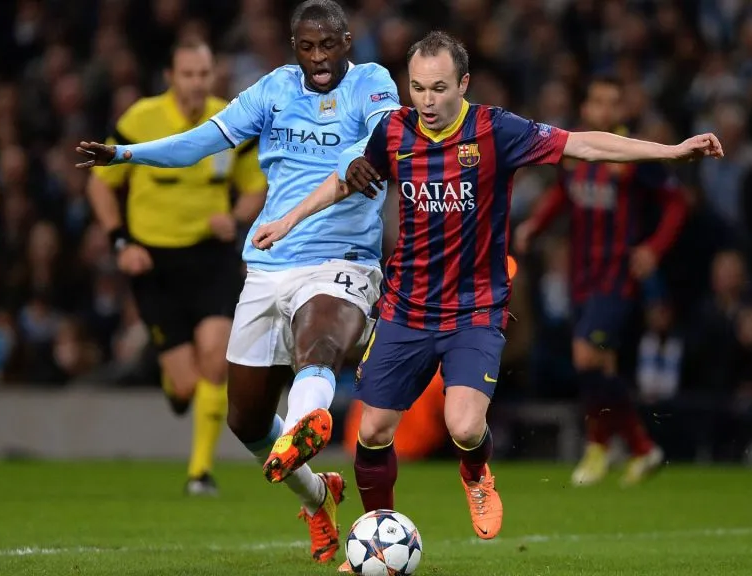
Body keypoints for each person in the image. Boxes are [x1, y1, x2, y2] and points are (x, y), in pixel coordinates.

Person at [251, 31, 721, 569]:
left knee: (465, 427)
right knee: (373, 431)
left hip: (474, 309)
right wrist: (286, 219)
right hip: (406, 308)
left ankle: (476, 474)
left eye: (439, 89)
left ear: (464, 84)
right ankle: (376, 537)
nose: (426, 101)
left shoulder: (497, 130)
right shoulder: (395, 132)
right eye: (418, 88)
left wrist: (670, 150)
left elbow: (582, 142)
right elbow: (343, 181)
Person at [76, 0, 401, 563]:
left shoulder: (372, 82)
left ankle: (306, 424)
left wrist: (354, 160)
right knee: (246, 420)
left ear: (348, 41)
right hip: (271, 257)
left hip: (343, 256)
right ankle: (319, 495)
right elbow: (205, 138)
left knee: (319, 343)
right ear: (294, 47)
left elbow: (381, 137)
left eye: (329, 45)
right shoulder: (274, 88)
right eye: (308, 46)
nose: (319, 58)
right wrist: (126, 154)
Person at [86, 39, 267, 497]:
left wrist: (239, 218)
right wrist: (120, 242)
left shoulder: (230, 118)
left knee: (215, 357)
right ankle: (175, 384)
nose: (196, 83)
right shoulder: (139, 120)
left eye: (203, 75)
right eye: (188, 74)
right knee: (187, 385)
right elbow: (101, 186)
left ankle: (199, 473)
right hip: (153, 260)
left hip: (210, 257)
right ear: (170, 76)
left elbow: (255, 184)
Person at [514, 76, 688, 487]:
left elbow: (677, 203)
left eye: (613, 103)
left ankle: (599, 444)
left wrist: (654, 248)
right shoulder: (576, 151)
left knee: (585, 357)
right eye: (597, 102)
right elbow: (563, 193)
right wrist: (534, 226)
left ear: (622, 111)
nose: (604, 111)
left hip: (617, 276)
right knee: (601, 366)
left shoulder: (632, 157)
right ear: (588, 107)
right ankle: (641, 447)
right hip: (581, 276)